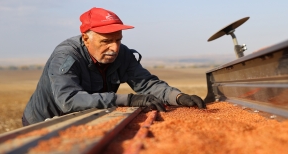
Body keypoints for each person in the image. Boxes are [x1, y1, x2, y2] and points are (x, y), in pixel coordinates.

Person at [22, 7, 206, 126]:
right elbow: (69, 101)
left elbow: (147, 84)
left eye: (118, 40)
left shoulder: (122, 54)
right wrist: (130, 100)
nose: (115, 48)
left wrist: (179, 97)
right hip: (45, 124)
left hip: (84, 121)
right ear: (86, 38)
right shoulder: (66, 56)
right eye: (106, 41)